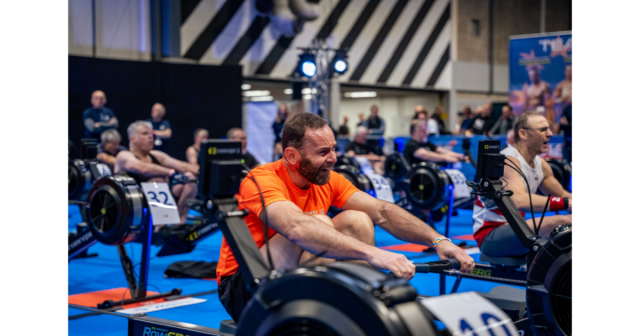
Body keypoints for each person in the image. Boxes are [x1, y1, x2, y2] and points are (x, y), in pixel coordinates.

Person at [216, 113, 475, 322]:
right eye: (323, 152)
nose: (333, 158)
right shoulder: (261, 179)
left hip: (288, 272)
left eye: (333, 149)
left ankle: (356, 305)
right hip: (245, 288)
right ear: (292, 156)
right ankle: (334, 307)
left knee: (357, 219)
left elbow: (382, 212)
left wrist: (438, 239)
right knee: (318, 223)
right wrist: (374, 254)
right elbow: (295, 227)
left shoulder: (328, 179)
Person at [473, 111, 574, 257]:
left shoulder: (541, 164)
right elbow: (519, 201)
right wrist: (568, 203)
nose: (550, 134)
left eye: (549, 128)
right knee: (562, 221)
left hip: (516, 228)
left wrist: (568, 201)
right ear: (523, 134)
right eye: (543, 129)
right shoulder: (508, 160)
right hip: (490, 233)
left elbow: (563, 195)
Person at [115, 121, 199, 224]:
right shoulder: (123, 155)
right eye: (145, 134)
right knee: (158, 181)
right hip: (131, 204)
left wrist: (205, 171)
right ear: (132, 138)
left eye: (151, 134)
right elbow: (143, 168)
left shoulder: (156, 154)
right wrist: (169, 172)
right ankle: (161, 227)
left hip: (161, 199)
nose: (151, 137)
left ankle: (179, 224)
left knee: (190, 179)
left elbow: (183, 166)